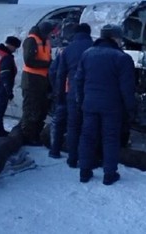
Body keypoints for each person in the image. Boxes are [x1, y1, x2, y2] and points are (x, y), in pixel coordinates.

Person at [75, 24, 135, 185]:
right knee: (110, 138)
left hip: (89, 104)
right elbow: (127, 88)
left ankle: (84, 171)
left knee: (87, 137)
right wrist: (131, 109)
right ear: (114, 38)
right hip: (112, 106)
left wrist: (81, 101)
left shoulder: (87, 54)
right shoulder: (122, 58)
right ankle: (109, 174)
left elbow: (78, 80)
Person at [55, 23, 93, 166]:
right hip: (90, 94)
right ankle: (88, 159)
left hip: (72, 93)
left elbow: (60, 74)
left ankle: (72, 158)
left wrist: (59, 96)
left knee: (73, 127)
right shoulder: (94, 48)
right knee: (89, 128)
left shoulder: (68, 50)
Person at [17, 21, 54, 145]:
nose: (50, 36)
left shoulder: (45, 41)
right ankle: (28, 137)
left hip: (42, 81)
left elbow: (46, 57)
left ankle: (36, 135)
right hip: (31, 81)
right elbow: (29, 61)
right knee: (30, 110)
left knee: (41, 110)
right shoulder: (31, 41)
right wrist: (49, 65)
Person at [0, 36, 21, 138]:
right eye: (15, 47)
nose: (15, 50)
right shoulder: (6, 57)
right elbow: (5, 76)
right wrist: (9, 91)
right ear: (10, 45)